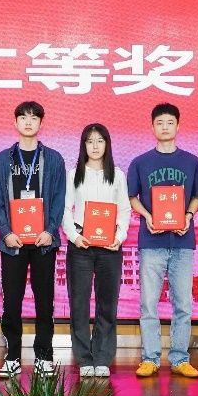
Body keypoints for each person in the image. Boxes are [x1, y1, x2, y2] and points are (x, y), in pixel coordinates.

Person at [0, 100, 67, 378]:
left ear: (41, 123)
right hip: (13, 243)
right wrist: (6, 232)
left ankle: (44, 356)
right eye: (23, 117)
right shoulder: (2, 159)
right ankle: (12, 356)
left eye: (34, 118)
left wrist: (50, 230)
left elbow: (59, 198)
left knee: (45, 301)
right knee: (11, 301)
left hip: (44, 242)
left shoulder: (54, 159)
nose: (28, 122)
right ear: (15, 122)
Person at [127, 103, 198, 378]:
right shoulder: (140, 162)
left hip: (183, 242)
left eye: (170, 122)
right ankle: (150, 358)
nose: (165, 127)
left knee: (183, 304)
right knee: (149, 303)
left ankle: (180, 358)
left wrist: (188, 216)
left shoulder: (192, 161)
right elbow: (132, 197)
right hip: (151, 242)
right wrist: (148, 216)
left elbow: (196, 197)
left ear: (178, 126)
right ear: (152, 127)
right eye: (160, 123)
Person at [62, 123, 132, 378]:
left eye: (100, 141)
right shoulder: (74, 174)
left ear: (107, 145)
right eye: (90, 141)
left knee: (107, 303)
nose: (94, 146)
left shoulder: (118, 175)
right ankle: (84, 359)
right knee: (79, 303)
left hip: (109, 246)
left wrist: (119, 237)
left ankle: (102, 357)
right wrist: (74, 236)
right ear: (83, 145)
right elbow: (65, 208)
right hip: (81, 244)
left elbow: (124, 210)